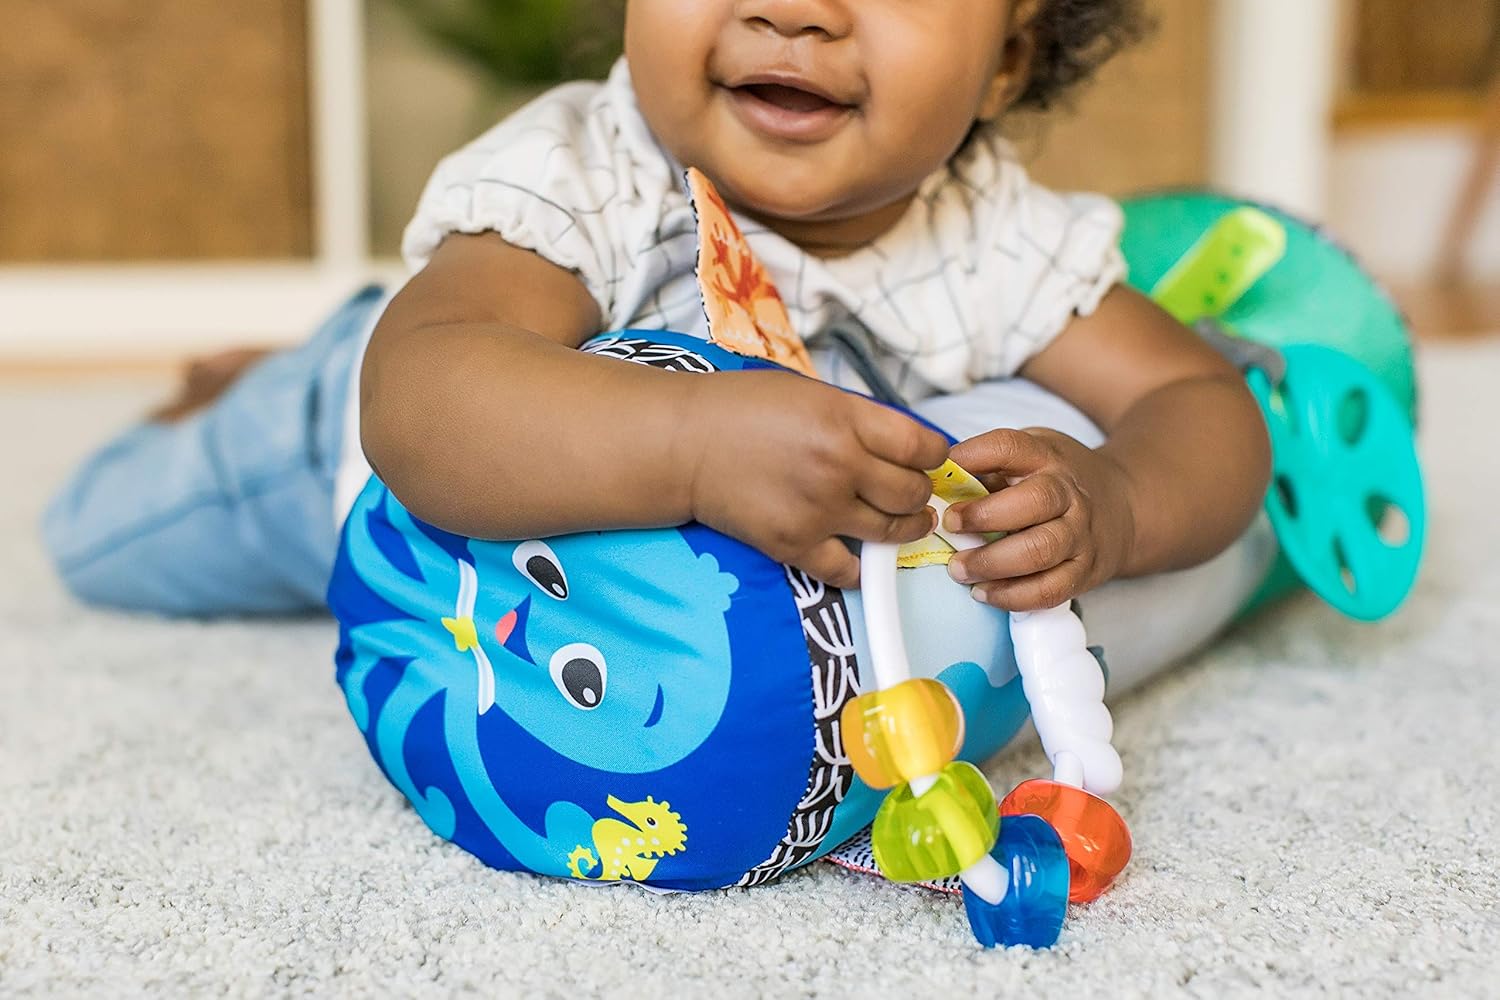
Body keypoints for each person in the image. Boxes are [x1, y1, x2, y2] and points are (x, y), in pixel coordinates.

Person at [43, 0, 1272, 678]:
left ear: (1007, 56)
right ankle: (265, 370)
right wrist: (692, 443)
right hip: (342, 437)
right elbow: (420, 407)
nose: (791, 14)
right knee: (99, 538)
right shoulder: (590, 172)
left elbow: (1198, 397)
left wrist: (1116, 499)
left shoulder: (994, 234)